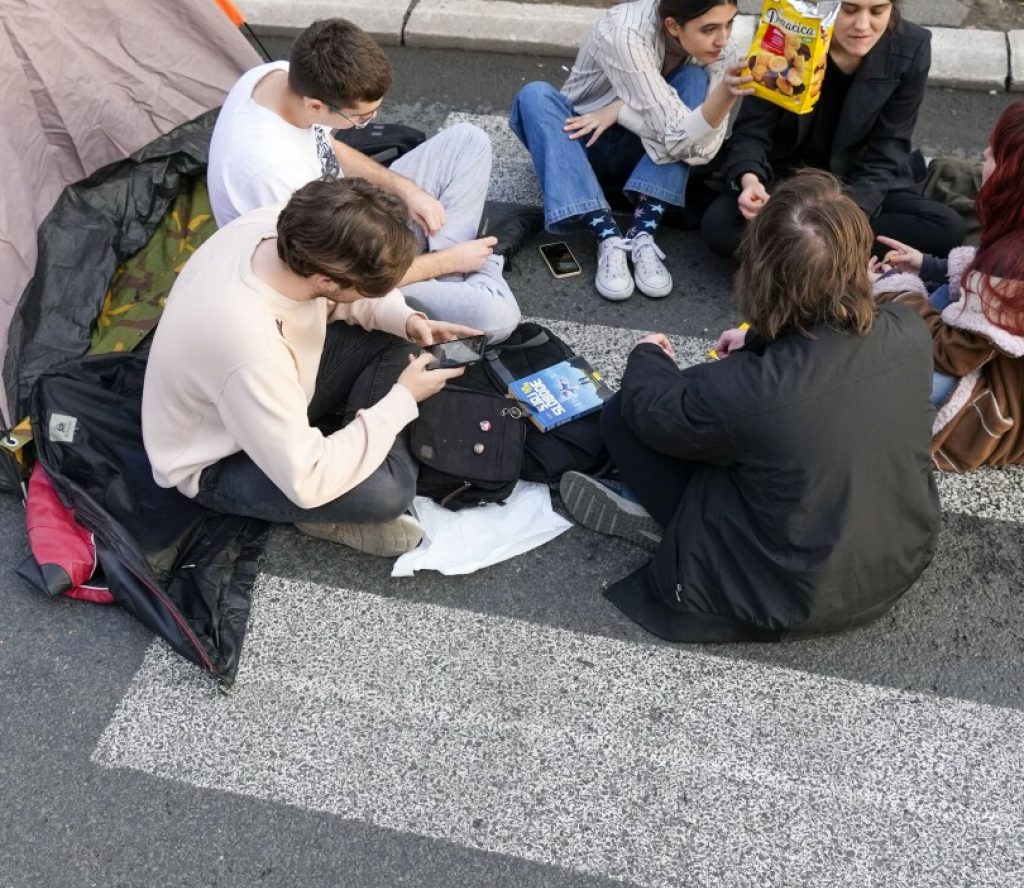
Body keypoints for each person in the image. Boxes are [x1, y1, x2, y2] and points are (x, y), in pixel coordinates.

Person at [559, 169, 939, 642]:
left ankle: (678, 534)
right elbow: (826, 357)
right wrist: (759, 340)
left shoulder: (746, 391)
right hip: (896, 562)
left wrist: (648, 354)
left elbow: (652, 408)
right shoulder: (908, 330)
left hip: (783, 597)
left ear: (762, 272)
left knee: (621, 417)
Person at [142, 177, 472, 557]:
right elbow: (307, 479)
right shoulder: (250, 346)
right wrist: (401, 401)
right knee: (387, 492)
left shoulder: (278, 228)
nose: (371, 294)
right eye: (365, 287)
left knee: (413, 333)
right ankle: (335, 488)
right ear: (325, 279)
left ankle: (349, 449)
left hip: (269, 392)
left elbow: (344, 300)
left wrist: (407, 319)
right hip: (216, 461)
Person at [207, 18, 520, 339]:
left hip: (352, 208)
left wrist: (406, 189)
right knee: (497, 316)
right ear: (315, 105)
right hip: (341, 266)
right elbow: (329, 282)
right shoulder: (270, 175)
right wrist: (443, 262)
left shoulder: (279, 77)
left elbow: (325, 144)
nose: (372, 121)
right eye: (362, 118)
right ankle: (465, 267)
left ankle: (455, 271)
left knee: (468, 141)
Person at [509, 0, 751, 302]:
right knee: (534, 96)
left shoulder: (723, 52)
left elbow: (703, 150)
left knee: (693, 78)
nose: (724, 39)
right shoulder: (625, 33)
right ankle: (608, 236)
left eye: (730, 23)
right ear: (673, 26)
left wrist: (621, 111)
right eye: (710, 29)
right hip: (581, 153)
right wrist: (629, 113)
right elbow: (681, 141)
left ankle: (641, 232)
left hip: (644, 153)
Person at [701, 0, 965, 261]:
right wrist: (750, 180)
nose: (863, 26)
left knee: (946, 228)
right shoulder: (787, 34)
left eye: (877, 11)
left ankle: (807, 253)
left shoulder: (911, 46)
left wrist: (848, 218)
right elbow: (752, 131)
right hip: (789, 177)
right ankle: (831, 256)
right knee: (721, 226)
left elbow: (887, 152)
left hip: (859, 183)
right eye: (848, 10)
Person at [872, 100, 1024, 471]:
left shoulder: (1011, 263)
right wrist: (926, 265)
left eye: (993, 155)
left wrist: (892, 287)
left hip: (1000, 406)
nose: (984, 156)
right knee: (940, 294)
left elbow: (953, 354)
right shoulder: (1013, 246)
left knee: (880, 368)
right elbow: (978, 280)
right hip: (1008, 371)